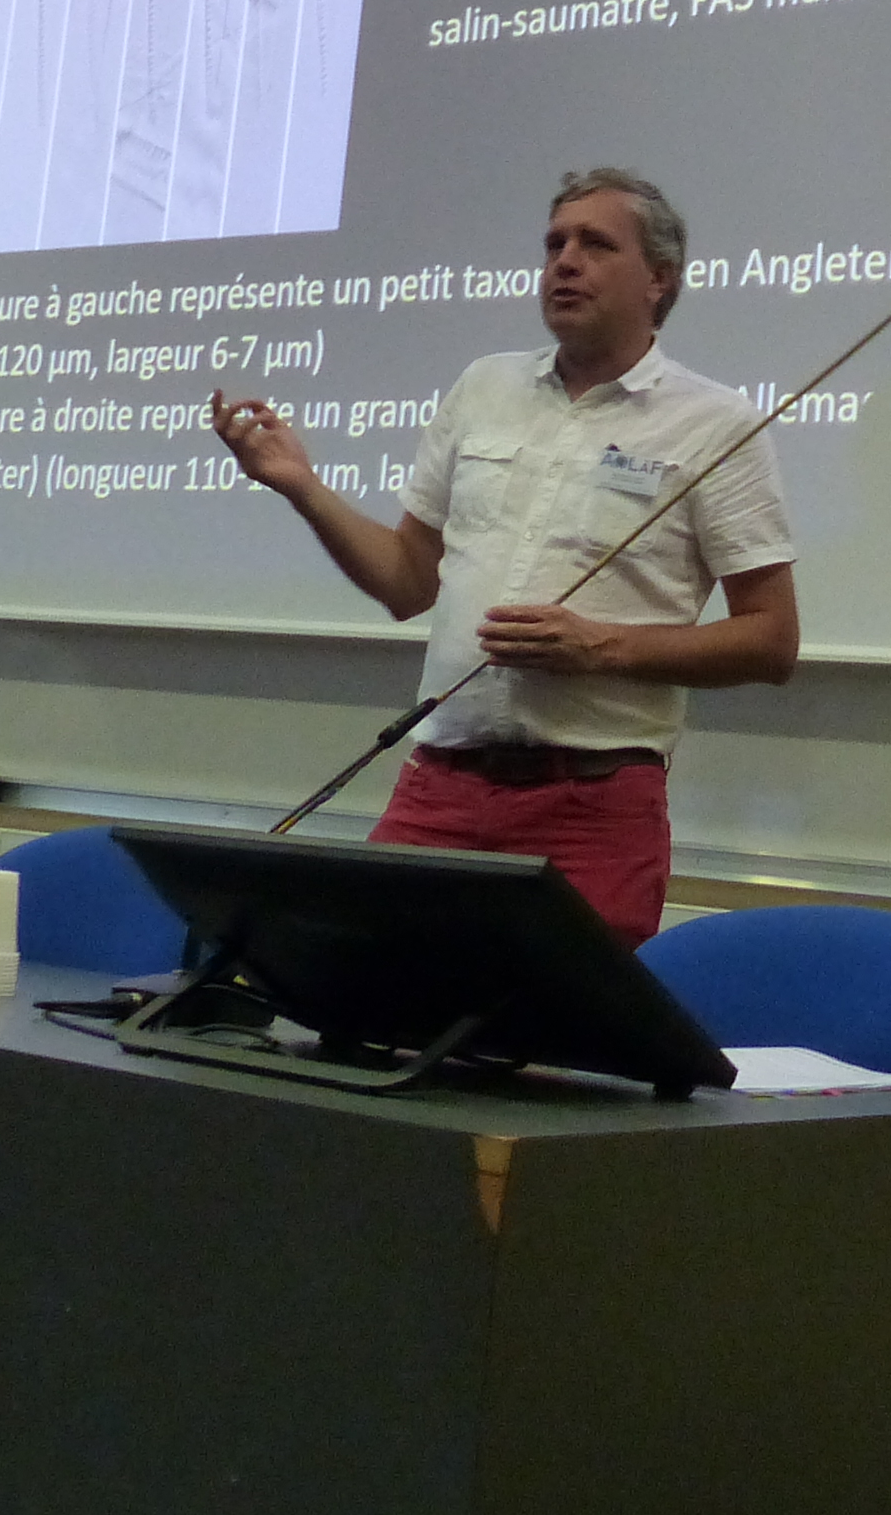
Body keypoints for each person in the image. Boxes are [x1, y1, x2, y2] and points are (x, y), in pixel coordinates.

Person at [206, 167, 796, 944]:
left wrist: (601, 646)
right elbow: (406, 582)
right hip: (439, 791)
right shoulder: (483, 388)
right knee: (371, 999)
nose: (565, 262)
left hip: (591, 810)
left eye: (595, 244)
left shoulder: (715, 423)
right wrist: (302, 487)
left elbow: (770, 639)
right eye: (554, 244)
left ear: (659, 278)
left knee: (563, 1022)